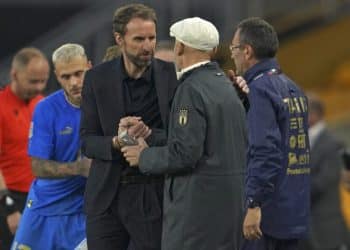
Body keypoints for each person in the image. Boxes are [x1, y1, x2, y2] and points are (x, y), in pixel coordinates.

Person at [121, 17, 247, 250]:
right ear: (213, 49)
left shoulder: (190, 88)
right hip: (229, 207)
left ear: (179, 47)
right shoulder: (225, 85)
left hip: (197, 211)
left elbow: (185, 154)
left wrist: (144, 156)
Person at [80, 4, 179, 250]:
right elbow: (87, 141)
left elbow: (180, 138)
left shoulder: (171, 76)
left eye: (152, 38)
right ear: (119, 39)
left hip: (152, 194)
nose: (148, 46)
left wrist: (148, 135)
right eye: (139, 39)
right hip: (106, 198)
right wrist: (117, 141)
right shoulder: (96, 78)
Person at [230, 17, 311, 250]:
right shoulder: (294, 88)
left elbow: (265, 151)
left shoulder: (260, 90)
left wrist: (254, 203)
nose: (232, 54)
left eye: (234, 48)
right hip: (294, 209)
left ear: (247, 51)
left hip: (266, 215)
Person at [12, 43, 91, 250]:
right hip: (44, 207)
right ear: (57, 75)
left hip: (83, 211)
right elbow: (37, 167)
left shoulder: (105, 103)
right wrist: (79, 168)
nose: (74, 82)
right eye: (66, 76)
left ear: (89, 67)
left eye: (78, 73)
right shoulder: (46, 109)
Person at [0, 47, 49, 249]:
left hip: (38, 199)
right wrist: (9, 207)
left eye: (43, 80)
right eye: (32, 81)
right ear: (14, 75)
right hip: (9, 200)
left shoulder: (43, 104)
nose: (39, 87)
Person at [298, 93, 349, 250]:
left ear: (313, 115)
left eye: (301, 112)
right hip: (307, 228)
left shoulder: (333, 144)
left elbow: (323, 181)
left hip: (327, 230)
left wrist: (292, 193)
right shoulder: (298, 141)